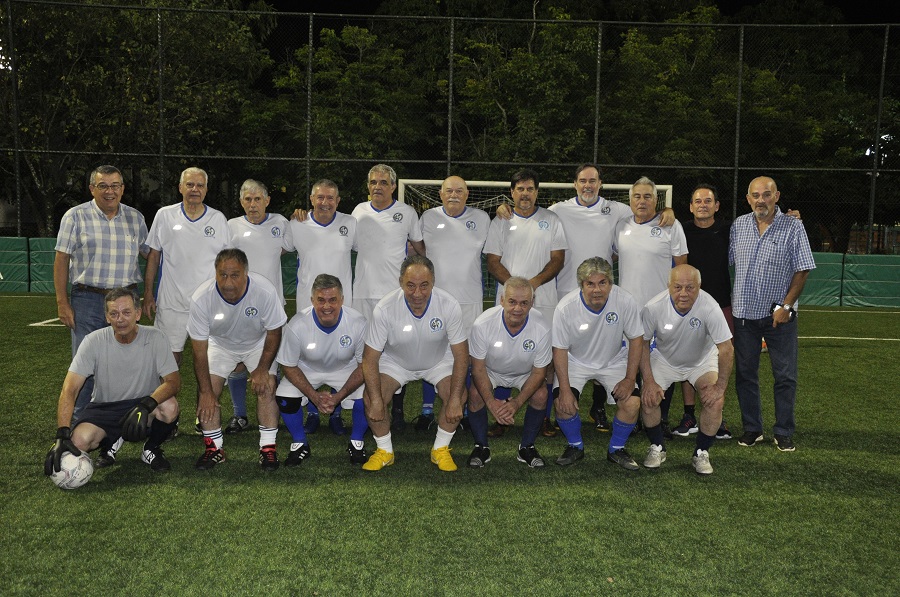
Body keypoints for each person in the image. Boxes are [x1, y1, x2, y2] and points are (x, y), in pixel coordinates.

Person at [44, 288, 181, 477]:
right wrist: (62, 433)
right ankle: (111, 441)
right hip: (105, 407)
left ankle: (151, 448)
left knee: (170, 407)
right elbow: (70, 389)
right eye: (114, 314)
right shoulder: (93, 341)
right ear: (107, 317)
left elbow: (173, 382)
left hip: (143, 403)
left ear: (138, 314)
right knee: (79, 442)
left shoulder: (156, 337)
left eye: (126, 312)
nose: (120, 319)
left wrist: (146, 405)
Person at [53, 165, 148, 434]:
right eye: (103, 186)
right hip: (88, 300)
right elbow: (61, 259)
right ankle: (78, 426)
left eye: (115, 185)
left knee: (127, 363)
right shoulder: (75, 216)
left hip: (126, 301)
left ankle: (125, 424)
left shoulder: (136, 218)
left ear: (123, 189)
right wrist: (62, 302)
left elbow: (151, 253)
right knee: (85, 366)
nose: (110, 191)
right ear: (92, 189)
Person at [360, 255, 468, 472]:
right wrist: (377, 400)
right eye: (410, 285)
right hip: (396, 363)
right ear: (400, 282)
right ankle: (385, 451)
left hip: (438, 361)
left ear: (433, 282)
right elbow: (369, 359)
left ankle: (440, 449)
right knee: (371, 398)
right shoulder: (384, 308)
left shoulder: (449, 305)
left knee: (458, 395)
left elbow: (462, 356)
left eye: (424, 285)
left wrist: (456, 399)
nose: (417, 293)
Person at [730, 176, 815, 452]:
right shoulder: (739, 225)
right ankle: (752, 429)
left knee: (785, 376)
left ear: (776, 196)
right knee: (745, 375)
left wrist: (786, 307)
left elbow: (803, 269)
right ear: (748, 199)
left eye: (766, 194)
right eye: (755, 195)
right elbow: (725, 260)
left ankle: (783, 431)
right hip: (744, 315)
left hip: (779, 317)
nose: (761, 200)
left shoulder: (793, 226)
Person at [187, 248, 287, 470]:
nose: (228, 282)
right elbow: (199, 351)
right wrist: (205, 392)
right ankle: (214, 449)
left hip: (258, 343)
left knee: (267, 386)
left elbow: (274, 331)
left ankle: (268, 448)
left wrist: (263, 368)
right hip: (220, 344)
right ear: (215, 273)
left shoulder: (264, 290)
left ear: (246, 273)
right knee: (208, 391)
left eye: (234, 275)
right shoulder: (202, 298)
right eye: (222, 275)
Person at [485, 169, 567, 436]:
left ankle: (544, 416)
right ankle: (501, 415)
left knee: (547, 359)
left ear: (537, 192)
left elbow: (557, 259)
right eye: (520, 189)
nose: (525, 193)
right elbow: (492, 261)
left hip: (545, 299)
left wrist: (533, 285)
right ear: (512, 192)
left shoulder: (551, 220)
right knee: (502, 354)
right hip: (509, 301)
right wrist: (516, 289)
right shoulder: (500, 221)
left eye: (530, 189)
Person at [639, 265, 734, 475]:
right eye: (678, 287)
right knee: (649, 397)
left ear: (699, 287)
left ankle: (701, 452)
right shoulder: (653, 307)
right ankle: (657, 446)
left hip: (701, 361)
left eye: (690, 287)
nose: (683, 293)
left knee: (715, 401)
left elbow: (726, 348)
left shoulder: (710, 306)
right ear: (668, 286)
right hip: (664, 360)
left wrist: (720, 387)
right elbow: (642, 344)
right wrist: (649, 381)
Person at [614, 176, 688, 438]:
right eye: (637, 196)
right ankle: (632, 416)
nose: (642, 201)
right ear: (630, 200)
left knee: (661, 364)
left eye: (647, 196)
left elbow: (681, 267)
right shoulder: (620, 226)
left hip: (660, 309)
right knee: (630, 364)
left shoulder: (670, 225)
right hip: (628, 309)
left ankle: (661, 418)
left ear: (656, 200)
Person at [552, 257, 644, 469]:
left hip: (613, 360)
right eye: (590, 284)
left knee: (632, 403)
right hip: (575, 361)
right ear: (581, 285)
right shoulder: (565, 308)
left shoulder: (625, 300)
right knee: (563, 404)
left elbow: (636, 339)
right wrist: (564, 389)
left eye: (602, 282)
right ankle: (575, 446)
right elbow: (560, 350)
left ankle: (617, 449)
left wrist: (630, 378)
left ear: (611, 284)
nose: (597, 290)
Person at [415, 175, 491, 430]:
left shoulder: (482, 219)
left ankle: (465, 409)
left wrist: (505, 211)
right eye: (449, 191)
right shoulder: (428, 218)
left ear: (467, 194)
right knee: (431, 351)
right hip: (434, 300)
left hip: (469, 301)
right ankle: (427, 410)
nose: (454, 195)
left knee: (465, 357)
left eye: (459, 191)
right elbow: (419, 251)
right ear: (440, 194)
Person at [285, 179, 358, 436]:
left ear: (338, 201)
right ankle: (313, 411)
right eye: (320, 197)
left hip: (340, 305)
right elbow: (277, 248)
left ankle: (336, 411)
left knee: (341, 357)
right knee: (307, 358)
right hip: (307, 305)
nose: (324, 202)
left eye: (330, 198)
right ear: (311, 199)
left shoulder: (351, 223)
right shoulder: (297, 224)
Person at [274, 274, 369, 465]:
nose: (327, 306)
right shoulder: (297, 324)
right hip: (307, 369)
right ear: (312, 300)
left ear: (342, 300)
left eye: (333, 300)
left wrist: (339, 396)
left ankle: (356, 442)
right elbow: (289, 366)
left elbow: (364, 365)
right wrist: (314, 397)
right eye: (321, 300)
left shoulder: (358, 323)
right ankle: (300, 443)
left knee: (371, 394)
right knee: (284, 397)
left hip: (346, 368)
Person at [143, 167, 232, 363]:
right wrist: (148, 293)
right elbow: (154, 256)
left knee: (211, 359)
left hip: (208, 304)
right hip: (171, 303)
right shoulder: (164, 215)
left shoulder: (217, 219)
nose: (195, 189)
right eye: (190, 184)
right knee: (168, 359)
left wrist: (228, 296)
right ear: (180, 187)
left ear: (206, 189)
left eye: (200, 185)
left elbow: (227, 263)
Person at [225, 179, 292, 435]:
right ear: (241, 202)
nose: (253, 204)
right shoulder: (231, 227)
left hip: (272, 308)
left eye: (257, 199)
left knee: (272, 361)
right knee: (238, 362)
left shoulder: (281, 223)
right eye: (248, 200)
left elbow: (285, 249)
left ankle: (275, 411)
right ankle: (239, 414)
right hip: (239, 307)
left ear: (267, 201)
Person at [466, 277, 552, 468]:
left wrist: (517, 402)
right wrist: (491, 403)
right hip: (491, 371)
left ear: (532, 303)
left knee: (541, 394)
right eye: (512, 302)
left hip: (525, 373)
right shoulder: (482, 324)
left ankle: (527, 447)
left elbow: (539, 373)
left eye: (524, 303)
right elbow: (477, 369)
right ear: (502, 300)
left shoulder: (543, 328)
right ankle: (481, 447)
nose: (517, 308)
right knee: (475, 394)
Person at [674, 184, 734, 440]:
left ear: (716, 206)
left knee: (720, 359)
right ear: (690, 206)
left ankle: (716, 413)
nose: (702, 205)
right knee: (688, 357)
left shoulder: (728, 230)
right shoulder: (682, 230)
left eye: (708, 201)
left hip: (721, 303)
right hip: (690, 305)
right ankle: (689, 415)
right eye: (697, 201)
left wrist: (790, 217)